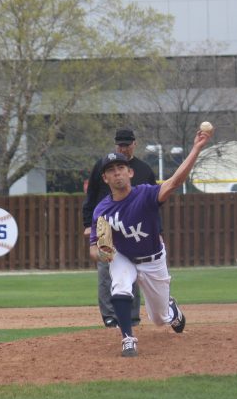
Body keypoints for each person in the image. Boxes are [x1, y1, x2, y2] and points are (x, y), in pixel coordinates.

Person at [89, 128, 210, 357]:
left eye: (121, 168)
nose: (117, 173)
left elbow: (174, 182)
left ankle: (171, 310)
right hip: (123, 255)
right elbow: (93, 249)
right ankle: (128, 339)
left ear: (130, 172)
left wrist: (196, 148)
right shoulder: (102, 210)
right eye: (111, 170)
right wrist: (102, 254)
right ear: (105, 178)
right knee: (120, 285)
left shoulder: (145, 194)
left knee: (159, 319)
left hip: (153, 259)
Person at [82, 128, 158, 328]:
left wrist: (158, 231)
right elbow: (91, 195)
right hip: (106, 223)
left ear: (134, 144)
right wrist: (87, 224)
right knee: (106, 270)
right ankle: (109, 315)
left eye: (127, 144)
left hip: (133, 226)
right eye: (120, 145)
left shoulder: (144, 170)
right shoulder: (103, 165)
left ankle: (132, 316)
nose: (123, 148)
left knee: (133, 271)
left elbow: (154, 206)